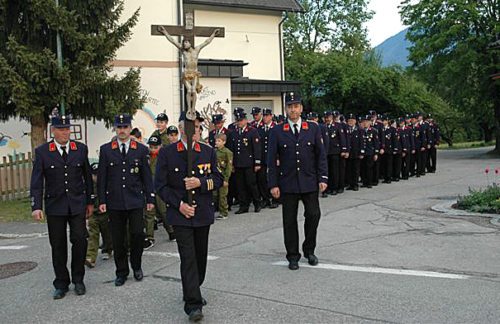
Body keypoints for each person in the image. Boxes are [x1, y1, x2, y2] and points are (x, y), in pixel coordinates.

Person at [155, 112, 223, 322]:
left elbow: (218, 178)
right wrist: (179, 204)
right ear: (181, 128)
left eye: (198, 125)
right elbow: (160, 186)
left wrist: (200, 184)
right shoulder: (168, 153)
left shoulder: (207, 152)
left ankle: (193, 288)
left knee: (200, 258)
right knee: (188, 258)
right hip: (180, 214)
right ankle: (193, 304)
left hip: (202, 213)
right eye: (191, 125)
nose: (195, 129)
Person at [30, 112, 94, 299]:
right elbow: (36, 181)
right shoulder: (43, 152)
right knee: (58, 245)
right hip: (55, 205)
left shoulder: (80, 149)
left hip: (77, 204)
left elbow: (87, 177)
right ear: (53, 131)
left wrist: (90, 201)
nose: (65, 133)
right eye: (61, 129)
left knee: (80, 240)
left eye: (67, 129)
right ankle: (61, 283)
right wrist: (36, 205)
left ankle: (78, 279)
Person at [267, 92, 328, 270]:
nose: (293, 110)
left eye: (296, 106)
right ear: (286, 109)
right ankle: (292, 255)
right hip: (288, 183)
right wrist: (273, 184)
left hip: (309, 181)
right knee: (289, 220)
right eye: (290, 106)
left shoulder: (313, 128)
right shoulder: (277, 131)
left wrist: (323, 177)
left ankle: (309, 249)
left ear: (301, 108)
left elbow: (320, 156)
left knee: (313, 215)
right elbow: (271, 160)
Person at [97, 114, 155, 286]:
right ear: (115, 129)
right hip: (115, 201)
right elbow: (102, 178)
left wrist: (150, 197)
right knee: (118, 238)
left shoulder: (141, 149)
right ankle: (121, 271)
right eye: (119, 127)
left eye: (125, 127)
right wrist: (102, 200)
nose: (122, 130)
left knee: (137, 234)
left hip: (135, 199)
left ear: (130, 128)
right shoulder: (106, 150)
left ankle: (136, 266)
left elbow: (146, 176)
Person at [144, 135, 176, 250]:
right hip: (149, 188)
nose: (153, 149)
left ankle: (171, 231)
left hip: (160, 188)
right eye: (151, 147)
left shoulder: (164, 156)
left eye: (155, 147)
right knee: (149, 213)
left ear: (160, 146)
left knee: (163, 211)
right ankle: (149, 237)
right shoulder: (145, 157)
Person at [228, 110, 262, 214]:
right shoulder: (233, 132)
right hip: (238, 163)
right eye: (237, 121)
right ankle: (243, 206)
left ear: (246, 120)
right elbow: (232, 149)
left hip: (249, 163)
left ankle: (257, 203)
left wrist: (257, 162)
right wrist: (232, 164)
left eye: (241, 120)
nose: (239, 123)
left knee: (251, 184)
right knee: (240, 186)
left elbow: (257, 148)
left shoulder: (252, 131)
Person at [85, 163, 113, 268]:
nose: (96, 177)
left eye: (98, 175)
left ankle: (108, 249)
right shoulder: (89, 186)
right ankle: (90, 257)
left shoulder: (106, 184)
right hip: (93, 214)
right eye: (94, 175)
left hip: (105, 213)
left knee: (107, 233)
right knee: (93, 235)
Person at [257, 108, 279, 209]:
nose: (265, 118)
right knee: (262, 179)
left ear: (271, 116)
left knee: (274, 178)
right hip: (263, 158)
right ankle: (266, 199)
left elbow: (279, 144)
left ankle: (275, 199)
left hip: (274, 158)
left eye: (267, 116)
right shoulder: (260, 129)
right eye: (264, 116)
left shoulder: (276, 128)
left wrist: (278, 157)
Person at [214, 133, 233, 219]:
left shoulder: (227, 152)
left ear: (224, 142)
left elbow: (229, 167)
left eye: (219, 141)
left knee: (222, 195)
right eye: (216, 141)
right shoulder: (214, 151)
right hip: (216, 176)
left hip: (223, 176)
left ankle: (224, 212)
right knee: (215, 194)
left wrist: (226, 179)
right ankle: (217, 210)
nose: (217, 142)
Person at [359, 115, 380, 188]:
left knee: (369, 168)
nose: (365, 123)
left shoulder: (373, 131)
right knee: (363, 168)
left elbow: (376, 143)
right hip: (362, 153)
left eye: (367, 122)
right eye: (364, 122)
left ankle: (369, 182)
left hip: (370, 152)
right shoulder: (360, 131)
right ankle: (364, 182)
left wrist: (376, 153)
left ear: (370, 122)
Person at [345, 114, 362, 191]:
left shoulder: (359, 130)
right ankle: (350, 184)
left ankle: (355, 184)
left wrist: (361, 152)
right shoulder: (346, 129)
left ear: (355, 121)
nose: (350, 122)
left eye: (352, 120)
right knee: (349, 169)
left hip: (356, 152)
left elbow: (362, 142)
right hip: (348, 153)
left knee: (355, 169)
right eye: (349, 120)